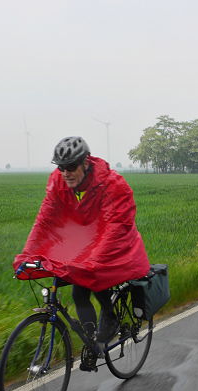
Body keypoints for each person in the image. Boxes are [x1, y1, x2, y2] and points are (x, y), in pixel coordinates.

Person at [13, 136, 150, 345]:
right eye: (61, 167)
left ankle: (110, 317)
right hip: (84, 239)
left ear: (85, 162)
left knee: (88, 278)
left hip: (116, 240)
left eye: (70, 167)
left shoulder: (113, 185)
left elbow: (115, 227)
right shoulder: (58, 182)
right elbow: (44, 221)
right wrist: (27, 255)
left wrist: (91, 261)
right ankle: (91, 343)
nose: (65, 173)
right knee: (79, 293)